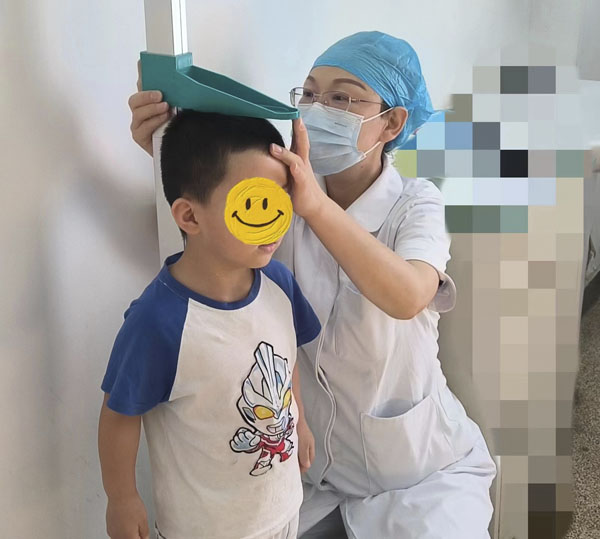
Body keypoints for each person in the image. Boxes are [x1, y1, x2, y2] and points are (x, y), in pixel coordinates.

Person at [129, 31, 497, 539]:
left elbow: (408, 296)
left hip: (421, 474)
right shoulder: (278, 196)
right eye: (309, 93)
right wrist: (162, 149)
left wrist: (316, 207)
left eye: (343, 98)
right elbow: (208, 229)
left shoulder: (416, 204)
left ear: (392, 122)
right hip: (311, 473)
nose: (319, 109)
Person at [98, 110, 321, 539]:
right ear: (190, 217)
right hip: (205, 527)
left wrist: (301, 420)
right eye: (254, 203)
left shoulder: (279, 281)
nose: (275, 220)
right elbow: (120, 412)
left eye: (280, 200)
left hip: (284, 509)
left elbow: (284, 359)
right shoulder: (157, 322)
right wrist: (121, 498)